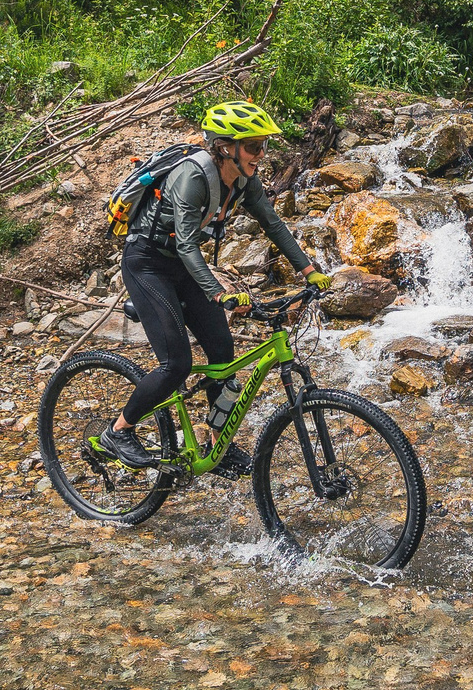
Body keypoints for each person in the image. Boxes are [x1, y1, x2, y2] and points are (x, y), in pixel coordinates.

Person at [90, 100, 330, 472]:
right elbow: (186, 243)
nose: (261, 154)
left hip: (183, 268)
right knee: (177, 364)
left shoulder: (245, 181)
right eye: (253, 147)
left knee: (222, 350)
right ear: (224, 147)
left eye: (263, 145)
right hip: (148, 265)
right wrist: (218, 293)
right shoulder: (193, 177)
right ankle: (118, 432)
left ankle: (217, 447)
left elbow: (273, 223)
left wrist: (308, 270)